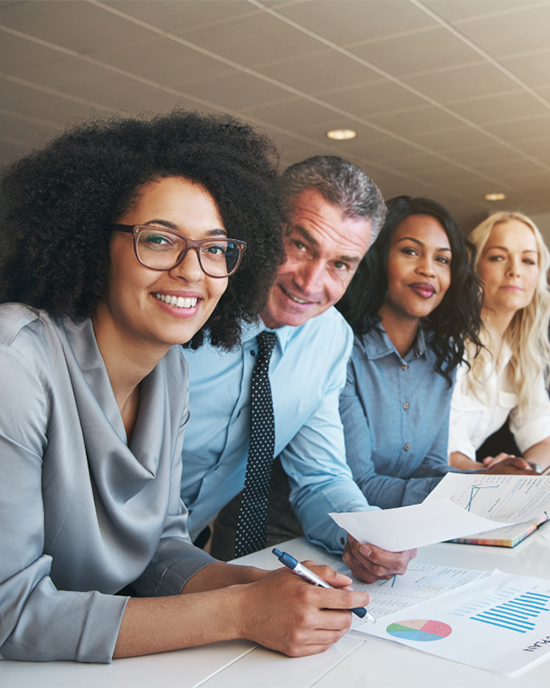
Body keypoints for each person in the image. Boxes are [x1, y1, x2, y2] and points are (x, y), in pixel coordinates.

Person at [0, 112, 369, 663]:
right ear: (91, 239)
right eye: (159, 239)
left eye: (215, 249)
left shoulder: (168, 367)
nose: (192, 270)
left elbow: (157, 550)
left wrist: (255, 586)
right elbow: (11, 613)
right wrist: (241, 611)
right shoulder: (15, 363)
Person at [181, 156, 417, 583]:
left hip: (180, 555)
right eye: (301, 246)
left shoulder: (329, 340)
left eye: (340, 264)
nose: (310, 283)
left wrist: (365, 534)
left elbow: (321, 476)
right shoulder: (186, 306)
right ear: (264, 226)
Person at [337, 197, 533, 511]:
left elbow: (429, 468)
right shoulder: (343, 350)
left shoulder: (443, 354)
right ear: (378, 257)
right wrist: (475, 488)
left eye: (442, 259)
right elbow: (359, 484)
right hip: (308, 539)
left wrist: (488, 477)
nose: (428, 269)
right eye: (410, 251)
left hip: (394, 534)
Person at [449, 211, 550, 471]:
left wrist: (525, 469)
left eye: (528, 260)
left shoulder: (521, 351)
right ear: (474, 267)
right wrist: (495, 475)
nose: (514, 271)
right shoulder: (448, 341)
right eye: (498, 257)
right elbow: (445, 451)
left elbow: (543, 436)